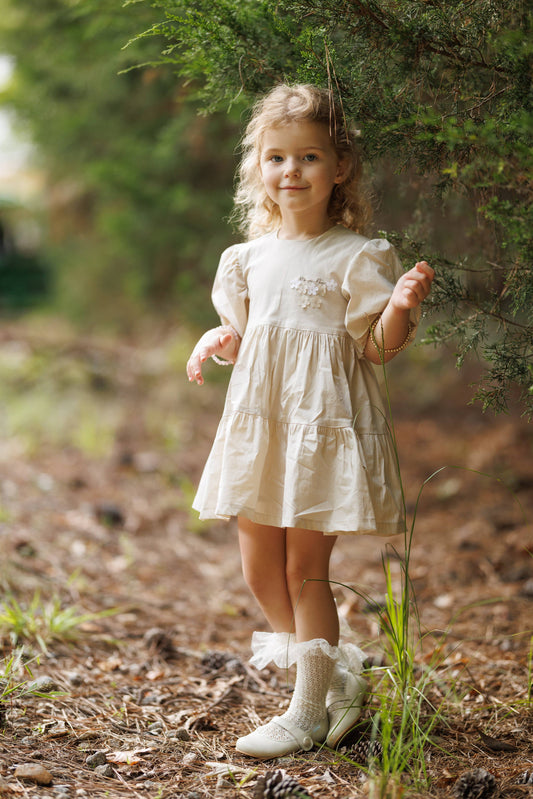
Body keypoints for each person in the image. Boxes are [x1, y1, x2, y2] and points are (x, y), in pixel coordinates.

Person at [186, 83, 434, 760]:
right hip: (264, 427)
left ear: (340, 167)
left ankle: (304, 712)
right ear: (257, 168)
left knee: (305, 568)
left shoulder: (357, 254)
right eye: (276, 158)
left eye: (309, 157)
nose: (290, 171)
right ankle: (336, 676)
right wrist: (219, 339)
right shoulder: (246, 259)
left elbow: (375, 347)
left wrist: (400, 308)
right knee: (258, 566)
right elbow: (249, 341)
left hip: (321, 427)